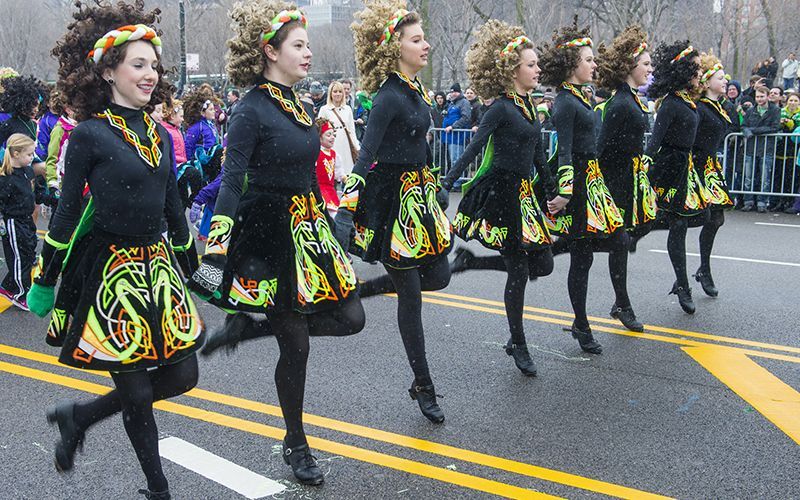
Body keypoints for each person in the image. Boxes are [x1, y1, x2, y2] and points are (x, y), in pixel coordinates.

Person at [27, 4, 203, 498]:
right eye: (138, 65)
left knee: (184, 373)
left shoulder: (160, 135)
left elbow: (173, 209)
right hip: (109, 275)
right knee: (137, 391)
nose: (151, 75)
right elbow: (64, 215)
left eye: (154, 65)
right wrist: (45, 280)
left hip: (159, 270)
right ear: (108, 72)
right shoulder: (89, 135)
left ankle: (79, 416)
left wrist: (197, 269)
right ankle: (159, 489)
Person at [186, 1, 364, 486]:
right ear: (270, 50)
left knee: (352, 318)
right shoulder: (248, 109)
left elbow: (304, 167)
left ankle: (250, 331)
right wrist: (217, 247)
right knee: (298, 346)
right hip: (268, 239)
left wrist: (333, 208)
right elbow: (231, 179)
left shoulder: (302, 105)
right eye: (299, 46)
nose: (308, 53)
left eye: (307, 45)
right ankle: (296, 442)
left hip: (309, 233)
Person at [343, 0, 452, 422]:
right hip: (391, 204)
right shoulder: (388, 96)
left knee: (439, 275)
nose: (425, 45)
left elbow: (420, 142)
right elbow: (366, 153)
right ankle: (423, 384)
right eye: (416, 39)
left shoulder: (415, 90)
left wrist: (436, 183)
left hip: (421, 200)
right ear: (396, 48)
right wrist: (346, 213)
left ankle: (384, 282)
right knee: (411, 298)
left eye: (423, 38)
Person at [439, 20, 554, 375]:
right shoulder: (501, 108)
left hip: (524, 195)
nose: (537, 70)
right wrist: (448, 181)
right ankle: (518, 342)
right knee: (519, 270)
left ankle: (472, 263)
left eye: (536, 64)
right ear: (513, 70)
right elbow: (474, 147)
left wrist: (552, 190)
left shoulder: (529, 106)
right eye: (531, 65)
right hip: (501, 195)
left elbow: (536, 155)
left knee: (543, 264)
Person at [538, 19, 625, 352]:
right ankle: (581, 323)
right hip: (578, 183)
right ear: (573, 65)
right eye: (588, 59)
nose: (594, 64)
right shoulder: (564, 102)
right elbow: (565, 150)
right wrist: (564, 192)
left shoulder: (580, 97)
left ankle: (583, 321)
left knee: (615, 239)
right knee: (582, 256)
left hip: (592, 180)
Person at [594, 25, 657, 331]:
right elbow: (601, 146)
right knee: (616, 243)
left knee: (632, 233)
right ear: (630, 67)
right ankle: (622, 304)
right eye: (646, 64)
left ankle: (621, 302)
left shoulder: (631, 98)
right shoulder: (620, 102)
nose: (650, 69)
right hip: (615, 181)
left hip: (631, 180)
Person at [645, 41, 710, 314]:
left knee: (702, 217)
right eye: (696, 69)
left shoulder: (688, 101)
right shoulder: (671, 103)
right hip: (670, 169)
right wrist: (645, 172)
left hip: (686, 166)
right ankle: (683, 285)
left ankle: (658, 224)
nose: (700, 74)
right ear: (683, 71)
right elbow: (655, 142)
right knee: (679, 227)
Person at [692, 52, 734, 298]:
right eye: (720, 78)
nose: (725, 80)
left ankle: (704, 269)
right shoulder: (699, 109)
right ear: (707, 82)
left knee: (715, 219)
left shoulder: (719, 107)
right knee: (686, 219)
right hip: (697, 167)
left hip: (710, 167)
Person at [0, 134, 39, 310]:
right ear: (16, 154)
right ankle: (19, 293)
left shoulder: (27, 171)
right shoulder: (6, 177)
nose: (32, 158)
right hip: (13, 222)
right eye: (29, 154)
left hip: (26, 220)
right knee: (18, 258)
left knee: (29, 255)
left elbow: (34, 194)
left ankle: (8, 285)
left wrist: (51, 198)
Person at [740, 86, 781, 212]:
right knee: (748, 177)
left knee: (765, 177)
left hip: (766, 147)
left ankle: (762, 202)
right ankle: (748, 201)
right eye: (757, 96)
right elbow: (743, 126)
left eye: (762, 96)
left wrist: (754, 131)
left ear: (768, 96)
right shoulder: (751, 110)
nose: (759, 99)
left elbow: (775, 127)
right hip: (751, 147)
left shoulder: (775, 110)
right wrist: (747, 131)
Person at [318, 80, 360, 177]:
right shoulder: (324, 109)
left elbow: (352, 131)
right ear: (330, 93)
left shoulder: (348, 109)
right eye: (335, 91)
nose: (338, 94)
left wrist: (356, 147)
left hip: (346, 145)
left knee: (347, 173)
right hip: (331, 144)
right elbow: (319, 131)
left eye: (340, 91)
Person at [315, 117, 343, 217]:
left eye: (333, 135)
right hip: (318, 191)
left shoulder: (335, 155)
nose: (332, 137)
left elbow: (339, 175)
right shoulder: (316, 153)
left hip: (331, 191)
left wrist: (347, 179)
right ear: (320, 137)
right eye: (328, 135)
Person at [183, 86, 220, 160]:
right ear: (202, 113)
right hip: (202, 163)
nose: (214, 111)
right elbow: (189, 146)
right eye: (211, 109)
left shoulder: (210, 124)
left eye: (214, 109)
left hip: (213, 162)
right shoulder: (197, 127)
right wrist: (192, 162)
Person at [442, 82, 472, 167]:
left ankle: (458, 180)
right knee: (452, 160)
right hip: (450, 137)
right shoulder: (451, 103)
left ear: (459, 92)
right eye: (451, 92)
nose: (452, 94)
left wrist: (453, 126)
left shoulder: (464, 102)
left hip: (458, 137)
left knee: (457, 161)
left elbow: (466, 118)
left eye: (455, 92)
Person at [159, 97, 186, 164]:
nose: (183, 119)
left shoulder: (177, 130)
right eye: (181, 116)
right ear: (172, 116)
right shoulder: (167, 132)